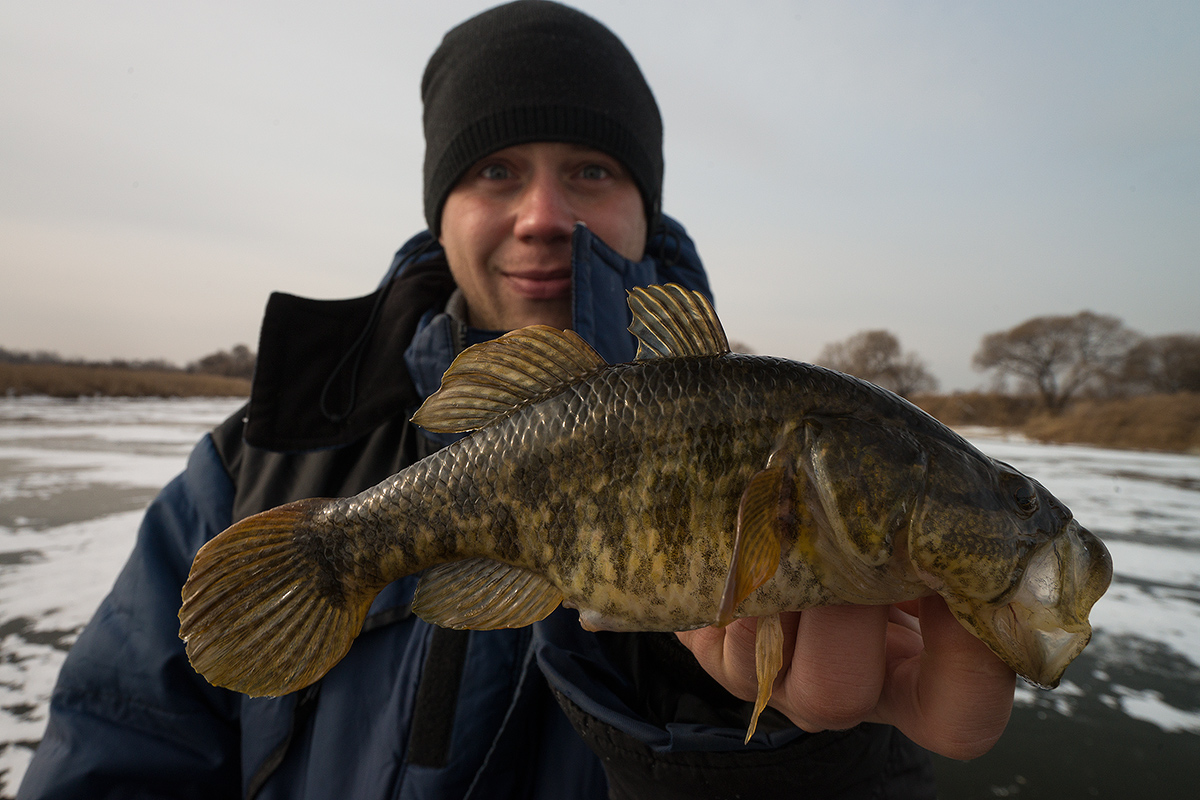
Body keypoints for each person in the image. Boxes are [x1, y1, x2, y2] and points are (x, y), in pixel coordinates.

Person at [19, 2, 1014, 798]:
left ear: (642, 209)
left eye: (591, 170)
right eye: (497, 170)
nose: (543, 216)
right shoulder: (247, 468)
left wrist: (791, 758)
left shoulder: (796, 447)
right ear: (441, 207)